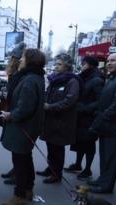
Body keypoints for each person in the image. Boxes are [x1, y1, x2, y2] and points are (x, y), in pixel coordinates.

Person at [1, 48, 46, 205]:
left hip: (23, 127)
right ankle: (27, 189)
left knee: (20, 160)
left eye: (23, 58)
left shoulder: (29, 80)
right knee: (26, 158)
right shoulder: (36, 77)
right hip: (30, 126)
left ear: (30, 61)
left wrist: (10, 115)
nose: (20, 60)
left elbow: (25, 108)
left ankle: (19, 195)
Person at [38, 53, 81, 184]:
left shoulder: (72, 81)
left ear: (67, 66)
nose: (56, 66)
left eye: (59, 64)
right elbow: (47, 94)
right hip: (51, 120)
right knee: (51, 146)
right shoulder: (54, 79)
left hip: (62, 121)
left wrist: (50, 107)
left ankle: (56, 174)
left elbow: (69, 101)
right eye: (56, 63)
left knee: (57, 148)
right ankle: (51, 168)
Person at [88, 53, 116, 193]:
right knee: (105, 156)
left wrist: (104, 115)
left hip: (115, 126)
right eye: (108, 60)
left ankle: (106, 186)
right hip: (106, 125)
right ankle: (102, 181)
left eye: (113, 60)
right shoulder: (113, 77)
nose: (109, 63)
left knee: (111, 158)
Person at [63, 56, 104, 181]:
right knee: (79, 142)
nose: (82, 65)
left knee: (88, 143)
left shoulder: (97, 79)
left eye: (84, 63)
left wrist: (85, 108)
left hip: (89, 117)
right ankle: (78, 164)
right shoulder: (83, 76)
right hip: (80, 116)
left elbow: (100, 101)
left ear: (91, 65)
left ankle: (88, 169)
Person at [1, 42, 26, 186]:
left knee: (18, 147)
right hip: (12, 111)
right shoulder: (15, 75)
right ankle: (15, 170)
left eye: (11, 58)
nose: (9, 61)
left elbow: (16, 95)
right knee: (13, 145)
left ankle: (18, 174)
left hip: (15, 113)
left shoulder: (18, 75)